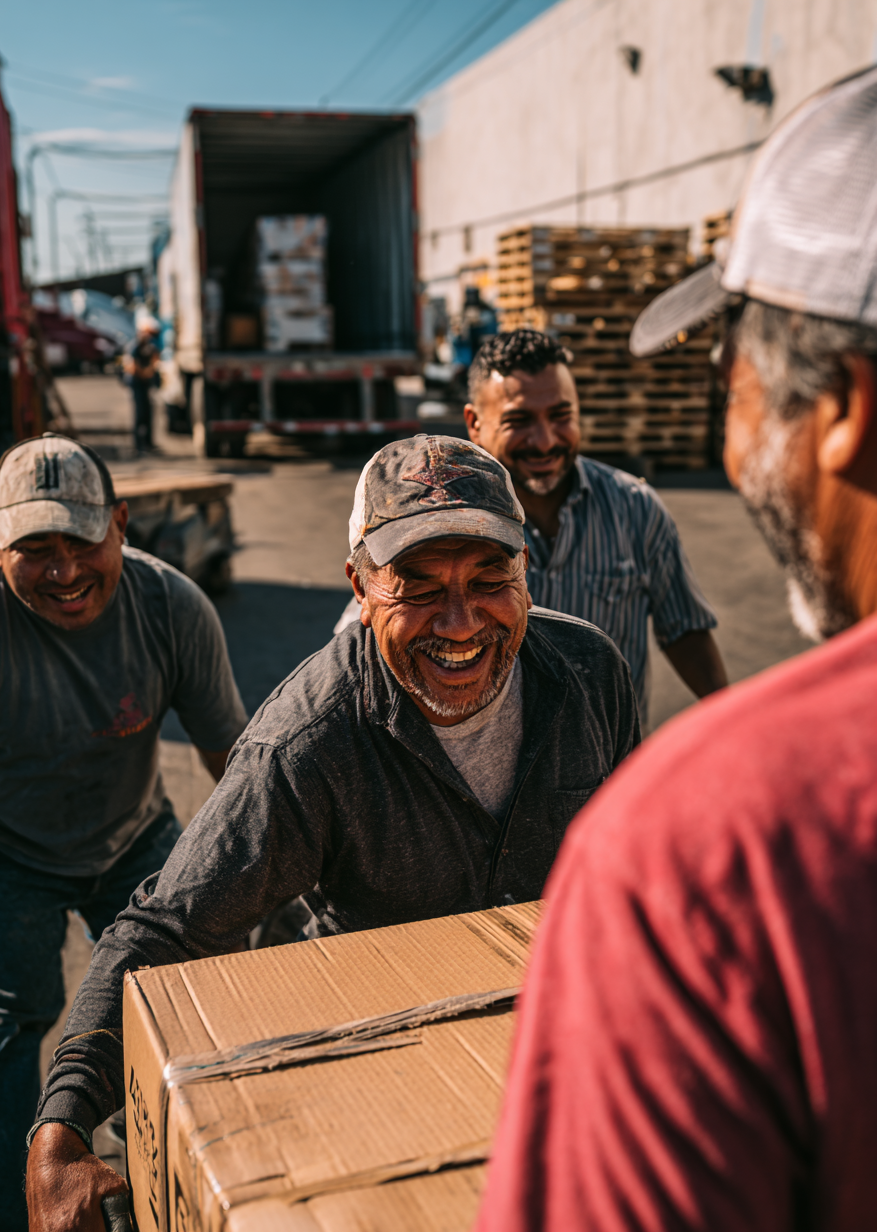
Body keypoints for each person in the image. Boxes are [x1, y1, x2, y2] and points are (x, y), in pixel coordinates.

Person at [25, 433, 641, 1229]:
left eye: (491, 579)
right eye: (418, 587)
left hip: (554, 1055)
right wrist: (61, 1130)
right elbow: (168, 926)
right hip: (383, 1076)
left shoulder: (590, 674)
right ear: (359, 585)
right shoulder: (309, 742)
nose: (460, 622)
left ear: (527, 569)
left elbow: (642, 870)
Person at [477, 66, 877, 1232]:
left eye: (728, 365)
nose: (722, 405)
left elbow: (688, 629)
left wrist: (746, 753)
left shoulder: (705, 860)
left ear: (843, 407)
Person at [0, 433, 248, 1232]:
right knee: (5, 1022)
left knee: (175, 1008)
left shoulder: (172, 608)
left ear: (119, 524)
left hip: (134, 835)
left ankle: (157, 1184)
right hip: (1, 847)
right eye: (36, 550)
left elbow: (236, 766)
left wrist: (266, 889)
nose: (64, 571)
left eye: (82, 542)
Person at [463, 328, 728, 723]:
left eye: (561, 415)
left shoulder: (635, 508)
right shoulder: (450, 524)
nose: (544, 441)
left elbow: (684, 631)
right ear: (475, 423)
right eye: (518, 420)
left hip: (614, 756)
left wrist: (736, 722)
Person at [125, 318, 160, 454]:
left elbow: (155, 360)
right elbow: (132, 367)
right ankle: (138, 444)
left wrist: (150, 370)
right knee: (139, 414)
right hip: (137, 384)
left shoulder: (150, 347)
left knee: (148, 413)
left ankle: (148, 443)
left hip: (145, 384)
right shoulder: (134, 347)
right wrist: (146, 373)